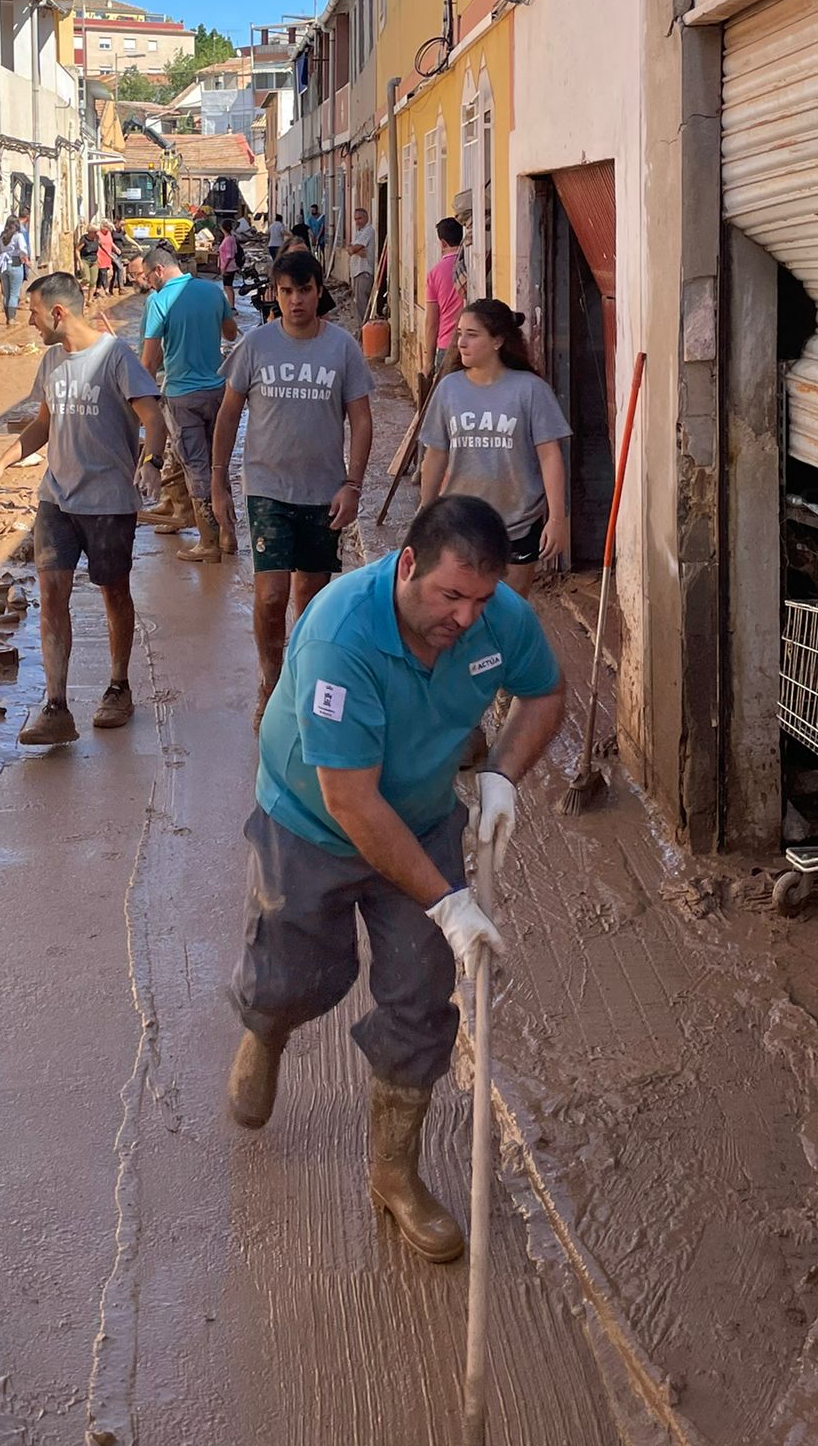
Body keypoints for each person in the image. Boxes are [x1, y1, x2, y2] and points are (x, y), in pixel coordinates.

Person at [225, 495, 565, 1261]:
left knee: (420, 992)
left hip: (419, 814)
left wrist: (505, 774)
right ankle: (265, 1026)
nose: (468, 618)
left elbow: (547, 691)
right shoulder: (342, 635)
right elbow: (350, 799)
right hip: (310, 821)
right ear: (407, 565)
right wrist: (449, 902)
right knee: (298, 976)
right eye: (451, 597)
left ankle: (393, 1174)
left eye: (481, 599)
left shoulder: (496, 616)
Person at [0, 272, 167, 744]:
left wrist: (152, 463)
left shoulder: (115, 357)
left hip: (108, 503)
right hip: (56, 499)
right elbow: (43, 424)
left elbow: (154, 418)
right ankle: (56, 705)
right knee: (51, 595)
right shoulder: (50, 363)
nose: (30, 322)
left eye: (33, 312)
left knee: (113, 594)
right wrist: (0, 464)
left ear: (58, 313)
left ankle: (118, 687)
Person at [212, 247, 374, 725]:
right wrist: (219, 482)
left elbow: (361, 420)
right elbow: (228, 414)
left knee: (311, 599)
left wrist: (353, 485)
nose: (296, 300)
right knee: (270, 595)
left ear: (318, 293)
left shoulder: (342, 347)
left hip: (324, 491)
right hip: (267, 487)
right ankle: (272, 680)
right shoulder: (256, 346)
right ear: (274, 295)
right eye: (286, 292)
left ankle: (304, 679)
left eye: (304, 291)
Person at [418, 298, 571, 596]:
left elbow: (550, 456)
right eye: (459, 333)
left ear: (498, 340)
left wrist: (556, 519)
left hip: (518, 524)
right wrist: (426, 511)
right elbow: (436, 454)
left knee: (509, 617)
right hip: (460, 523)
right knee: (460, 614)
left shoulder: (530, 390)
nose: (460, 342)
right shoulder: (449, 389)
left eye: (471, 335)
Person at [133, 241, 240, 563]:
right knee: (217, 462)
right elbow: (232, 334)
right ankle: (228, 535)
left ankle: (208, 542)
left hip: (182, 395)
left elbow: (149, 361)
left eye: (149, 278)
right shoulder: (211, 292)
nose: (148, 284)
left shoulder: (159, 301)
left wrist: (139, 404)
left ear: (159, 270)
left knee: (196, 467)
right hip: (219, 391)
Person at [423, 216, 467, 375]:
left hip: (447, 343)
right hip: (475, 344)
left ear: (442, 243)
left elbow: (431, 322)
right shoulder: (470, 263)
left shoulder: (435, 273)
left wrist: (428, 362)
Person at [0, 216, 28, 326]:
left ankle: (8, 318)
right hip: (15, 264)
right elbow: (23, 250)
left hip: (3, 266)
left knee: (7, 294)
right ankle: (12, 319)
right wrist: (24, 258)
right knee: (14, 293)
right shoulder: (18, 236)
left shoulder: (2, 237)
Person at [347, 206, 377, 327]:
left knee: (363, 304)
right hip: (356, 271)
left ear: (366, 218)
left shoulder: (368, 231)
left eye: (359, 218)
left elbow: (353, 248)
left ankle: (364, 330)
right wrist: (353, 250)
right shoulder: (358, 232)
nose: (357, 221)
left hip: (363, 271)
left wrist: (353, 249)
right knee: (358, 303)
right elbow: (349, 248)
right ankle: (363, 329)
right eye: (355, 219)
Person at [216, 219, 240, 310]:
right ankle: (231, 305)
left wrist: (224, 268)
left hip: (229, 267)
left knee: (228, 287)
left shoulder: (228, 239)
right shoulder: (231, 238)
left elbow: (229, 255)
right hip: (229, 266)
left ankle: (231, 306)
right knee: (227, 287)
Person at [76, 218, 101, 299]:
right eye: (95, 232)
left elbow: (101, 247)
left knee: (93, 281)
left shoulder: (97, 238)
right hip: (85, 260)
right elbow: (77, 250)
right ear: (90, 232)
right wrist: (79, 262)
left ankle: (89, 300)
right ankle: (76, 290)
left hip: (94, 261)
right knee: (86, 279)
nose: (97, 233)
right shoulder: (84, 239)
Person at [96, 217, 118, 294]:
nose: (108, 230)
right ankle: (106, 289)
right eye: (106, 228)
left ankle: (97, 289)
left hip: (107, 256)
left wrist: (116, 248)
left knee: (100, 273)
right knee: (103, 272)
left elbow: (110, 243)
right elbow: (100, 245)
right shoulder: (98, 234)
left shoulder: (108, 233)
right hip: (100, 255)